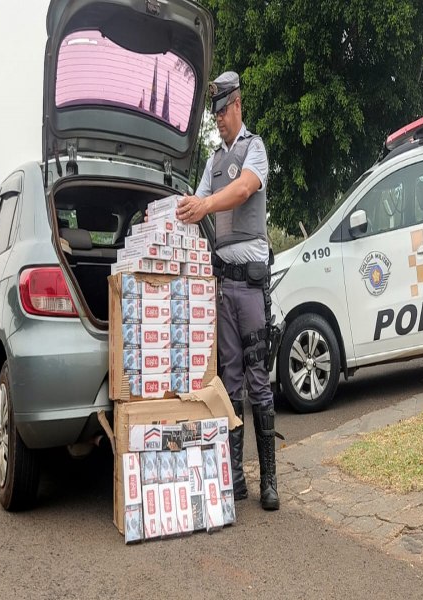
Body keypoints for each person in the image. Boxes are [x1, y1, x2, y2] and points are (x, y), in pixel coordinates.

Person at [177, 71, 279, 511]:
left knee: (259, 381)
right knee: (231, 381)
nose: (218, 119)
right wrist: (167, 209)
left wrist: (204, 204)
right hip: (225, 287)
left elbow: (243, 190)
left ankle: (270, 482)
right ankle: (236, 479)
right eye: (213, 114)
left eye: (222, 111)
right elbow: (192, 204)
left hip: (252, 287)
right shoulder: (211, 161)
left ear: (237, 104)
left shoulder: (254, 148)